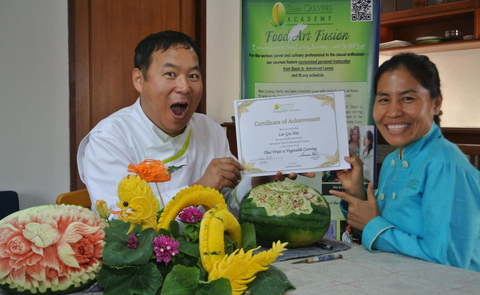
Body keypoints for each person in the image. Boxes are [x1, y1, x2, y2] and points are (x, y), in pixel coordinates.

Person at [77, 30, 311, 215]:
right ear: (139, 80)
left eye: (193, 76)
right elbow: (121, 218)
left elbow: (227, 205)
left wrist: (257, 180)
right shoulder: (109, 139)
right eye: (170, 74)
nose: (185, 87)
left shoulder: (209, 128)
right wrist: (201, 189)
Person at [329, 53, 480, 271]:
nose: (393, 112)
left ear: (436, 103)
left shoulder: (445, 165)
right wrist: (357, 192)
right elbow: (388, 224)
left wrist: (374, 227)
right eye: (383, 99)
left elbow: (450, 262)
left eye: (407, 98)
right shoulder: (394, 159)